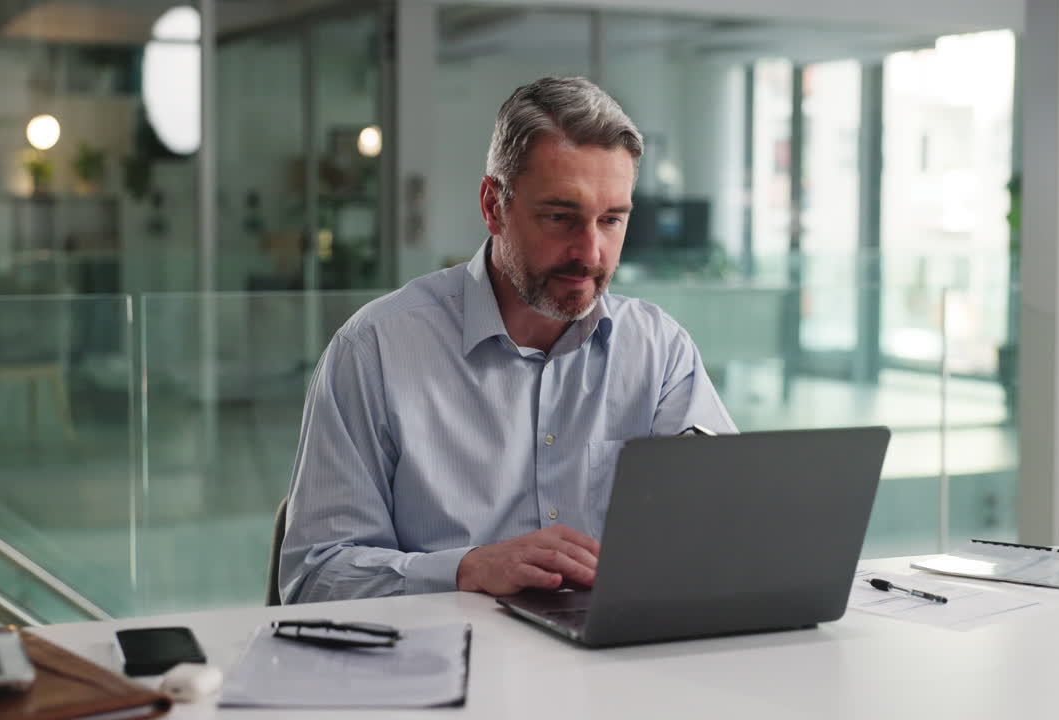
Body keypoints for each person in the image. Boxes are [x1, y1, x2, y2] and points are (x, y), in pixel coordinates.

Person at [279, 76, 735, 603]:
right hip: (446, 662)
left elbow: (728, 527)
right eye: (560, 217)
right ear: (493, 205)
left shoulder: (659, 352)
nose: (589, 252)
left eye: (611, 220)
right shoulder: (374, 350)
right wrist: (465, 570)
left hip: (614, 661)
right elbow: (314, 578)